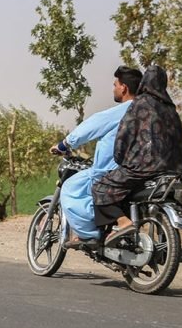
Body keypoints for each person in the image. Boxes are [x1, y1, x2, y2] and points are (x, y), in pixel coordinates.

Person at [91, 65, 182, 246]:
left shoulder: (141, 103)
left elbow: (124, 134)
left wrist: (121, 159)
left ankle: (122, 222)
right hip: (173, 169)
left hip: (144, 167)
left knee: (100, 188)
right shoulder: (170, 108)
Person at [50, 66, 143, 249]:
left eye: (115, 84)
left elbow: (87, 128)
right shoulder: (148, 112)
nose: (113, 88)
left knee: (71, 188)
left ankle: (89, 235)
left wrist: (63, 146)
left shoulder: (120, 111)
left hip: (110, 170)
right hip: (141, 170)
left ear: (123, 87)